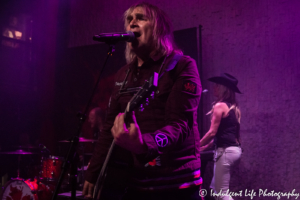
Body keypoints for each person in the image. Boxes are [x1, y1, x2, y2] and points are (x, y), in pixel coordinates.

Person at [83, 2, 203, 200]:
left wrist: (142, 144)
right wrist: (93, 173)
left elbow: (180, 125)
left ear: (159, 29)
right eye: (129, 20)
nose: (132, 23)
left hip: (178, 183)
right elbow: (108, 130)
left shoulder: (182, 66)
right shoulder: (123, 74)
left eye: (140, 18)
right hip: (137, 184)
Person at [200, 73, 242, 200]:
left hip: (225, 151)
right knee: (215, 188)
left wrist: (195, 146)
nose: (214, 88)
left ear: (223, 88)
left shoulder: (220, 106)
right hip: (234, 150)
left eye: (217, 85)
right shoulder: (233, 108)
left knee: (221, 193)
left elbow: (212, 132)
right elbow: (223, 134)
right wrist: (204, 147)